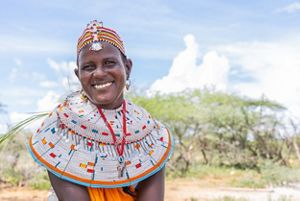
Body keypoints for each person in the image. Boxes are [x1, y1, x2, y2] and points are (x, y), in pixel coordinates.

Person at [28, 20, 174, 201]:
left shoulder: (149, 133)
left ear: (127, 68)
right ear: (78, 75)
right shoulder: (61, 131)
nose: (98, 73)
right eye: (89, 67)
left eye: (109, 63)